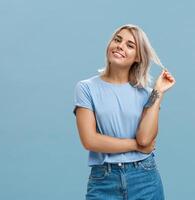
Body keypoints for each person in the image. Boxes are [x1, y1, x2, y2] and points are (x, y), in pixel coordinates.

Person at [73, 24, 175, 200]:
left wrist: (158, 92)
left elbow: (145, 139)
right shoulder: (86, 88)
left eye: (130, 45)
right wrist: (136, 146)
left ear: (138, 57)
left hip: (145, 178)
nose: (120, 46)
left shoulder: (147, 94)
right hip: (104, 180)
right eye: (117, 40)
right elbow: (90, 140)